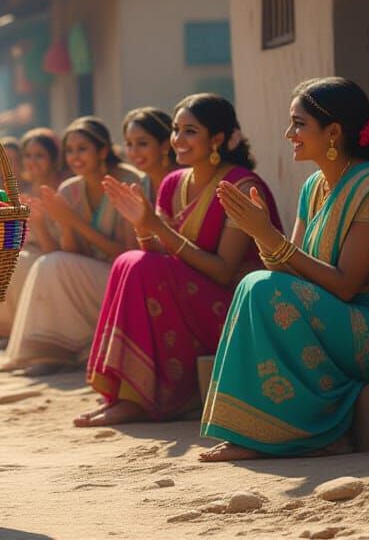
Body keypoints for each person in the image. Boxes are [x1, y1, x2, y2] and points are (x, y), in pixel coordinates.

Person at [199, 78, 369, 460]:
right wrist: (260, 234)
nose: (289, 134)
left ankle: (310, 431)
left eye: (298, 124)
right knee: (255, 285)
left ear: (333, 132)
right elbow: (291, 271)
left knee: (261, 286)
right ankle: (260, 431)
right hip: (344, 316)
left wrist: (268, 234)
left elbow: (346, 284)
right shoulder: (314, 187)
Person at [79, 94, 280, 426]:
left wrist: (155, 226)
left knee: (140, 265)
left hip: (234, 303)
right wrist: (142, 227)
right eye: (176, 129)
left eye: (190, 131)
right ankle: (128, 393)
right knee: (129, 261)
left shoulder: (241, 186)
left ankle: (141, 398)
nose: (178, 139)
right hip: (189, 292)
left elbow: (224, 271)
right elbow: (156, 251)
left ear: (217, 139)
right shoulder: (173, 183)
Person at [0, 117, 141, 375]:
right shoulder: (70, 189)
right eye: (70, 150)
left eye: (82, 149)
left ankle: (61, 352)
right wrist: (60, 224)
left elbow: (130, 254)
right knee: (49, 263)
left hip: (127, 279)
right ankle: (50, 352)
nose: (75, 157)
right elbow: (72, 255)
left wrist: (74, 221)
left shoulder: (128, 181)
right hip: (93, 273)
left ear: (103, 151)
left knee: (49, 263)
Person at [0, 127, 61, 349]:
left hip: (53, 252)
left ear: (53, 159)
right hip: (32, 249)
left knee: (17, 262)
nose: (32, 162)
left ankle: (13, 331)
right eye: (28, 156)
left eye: (39, 155)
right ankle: (3, 329)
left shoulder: (60, 189)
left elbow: (55, 239)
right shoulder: (29, 188)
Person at [121, 107, 176, 202]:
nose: (134, 152)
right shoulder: (139, 186)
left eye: (142, 143)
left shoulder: (185, 181)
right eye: (129, 144)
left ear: (165, 144)